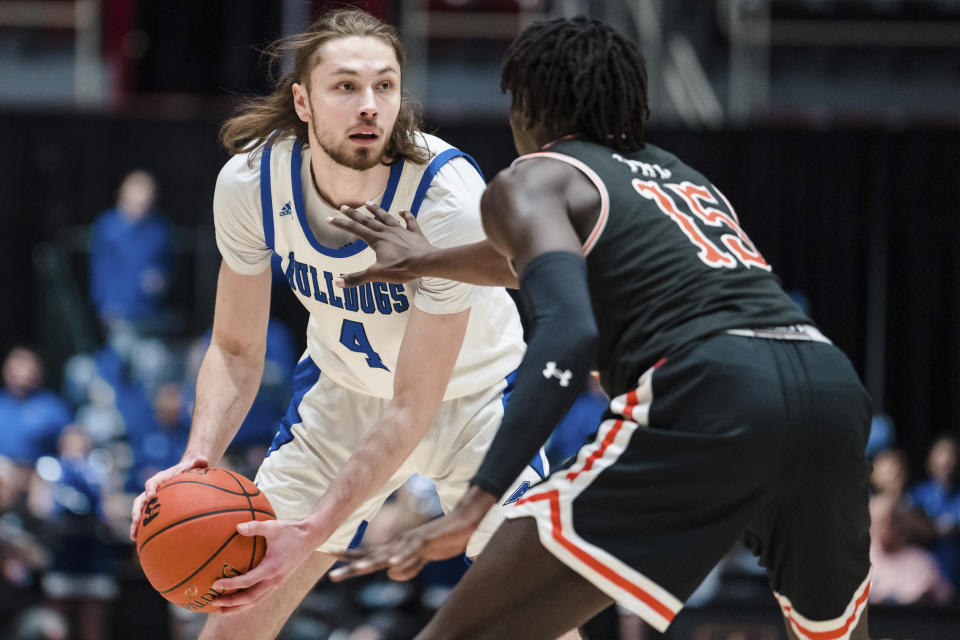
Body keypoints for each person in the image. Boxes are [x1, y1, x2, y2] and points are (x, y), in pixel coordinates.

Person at [328, 15, 873, 640]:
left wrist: (476, 503)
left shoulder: (534, 175)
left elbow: (568, 331)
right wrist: (424, 260)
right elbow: (533, 262)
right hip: (828, 386)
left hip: (712, 386)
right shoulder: (681, 178)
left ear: (528, 104)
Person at [128, 9, 554, 640]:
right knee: (237, 609)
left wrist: (313, 530)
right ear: (302, 99)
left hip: (478, 401)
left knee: (533, 614)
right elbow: (237, 348)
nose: (369, 105)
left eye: (385, 86)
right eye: (346, 86)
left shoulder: (447, 202)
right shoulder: (251, 184)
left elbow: (413, 408)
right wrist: (197, 461)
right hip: (344, 393)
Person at [89, 170, 173, 330]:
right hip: (115, 310)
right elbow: (100, 270)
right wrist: (104, 304)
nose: (141, 209)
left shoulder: (159, 229)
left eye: (146, 204)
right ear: (123, 198)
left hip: (149, 312)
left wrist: (162, 281)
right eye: (137, 203)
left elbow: (167, 266)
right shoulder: (108, 227)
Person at [909, 433, 960, 588]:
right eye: (941, 453)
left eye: (951, 454)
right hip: (924, 578)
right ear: (930, 459)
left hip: (954, 573)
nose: (946, 460)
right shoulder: (917, 494)